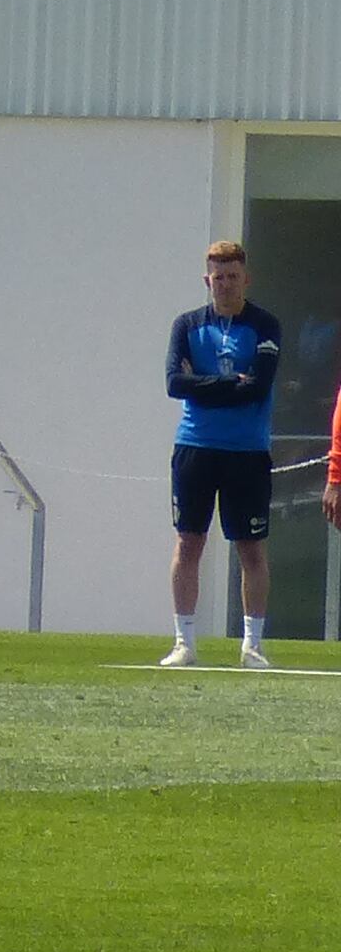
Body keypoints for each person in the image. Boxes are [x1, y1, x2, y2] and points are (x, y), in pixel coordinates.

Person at [165, 240, 284, 666]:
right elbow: (174, 384)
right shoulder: (187, 325)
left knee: (250, 547)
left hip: (247, 452)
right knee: (188, 541)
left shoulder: (265, 325)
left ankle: (252, 644)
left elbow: (258, 385)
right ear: (207, 280)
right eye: (219, 277)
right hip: (195, 447)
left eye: (233, 276)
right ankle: (184, 642)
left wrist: (206, 383)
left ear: (245, 278)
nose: (226, 284)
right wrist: (229, 384)